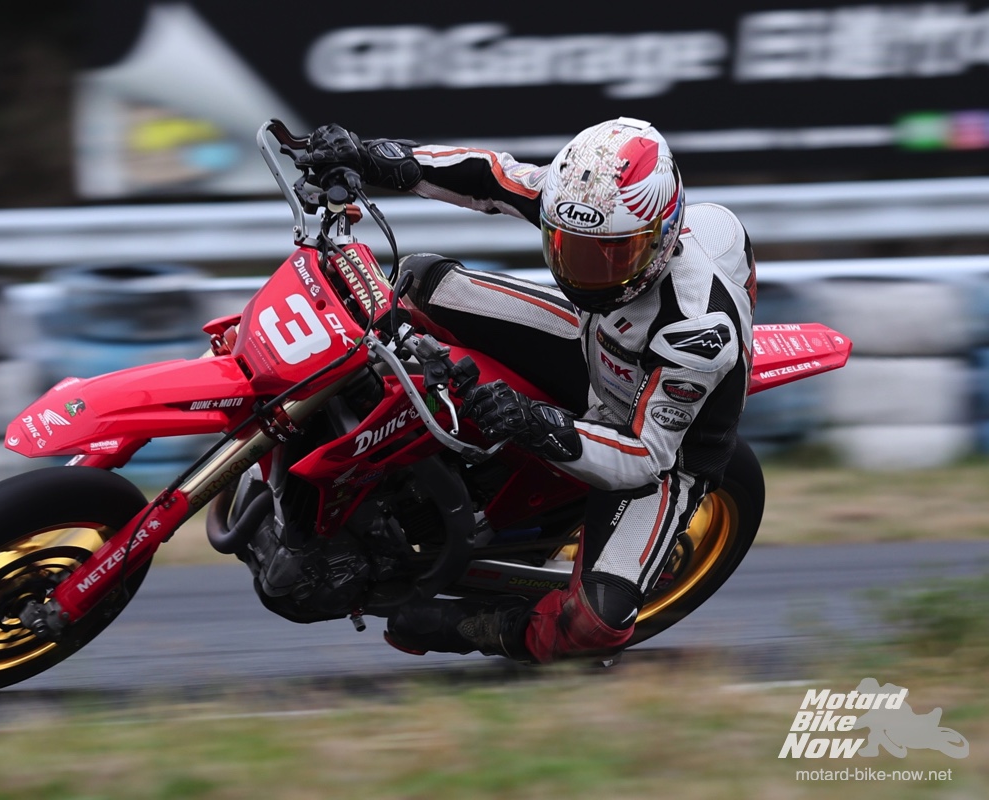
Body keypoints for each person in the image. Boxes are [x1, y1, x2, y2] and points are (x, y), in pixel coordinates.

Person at [297, 118, 756, 663]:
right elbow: (490, 177)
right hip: (596, 344)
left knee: (594, 626)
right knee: (421, 281)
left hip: (661, 447)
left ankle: (492, 628)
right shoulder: (587, 205)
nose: (585, 271)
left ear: (663, 235)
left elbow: (644, 458)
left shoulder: (697, 333)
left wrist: (534, 422)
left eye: (612, 256)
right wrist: (372, 157)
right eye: (570, 249)